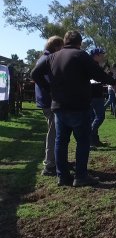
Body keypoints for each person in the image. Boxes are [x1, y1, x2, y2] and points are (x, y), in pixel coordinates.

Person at [31, 31, 116, 187]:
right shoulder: (81, 55)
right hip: (79, 106)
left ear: (65, 41)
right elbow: (98, 74)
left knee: (61, 142)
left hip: (59, 107)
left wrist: (49, 89)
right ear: (80, 43)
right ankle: (80, 176)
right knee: (83, 141)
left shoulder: (52, 57)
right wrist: (114, 81)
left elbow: (34, 74)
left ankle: (62, 177)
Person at [35, 36, 64, 176]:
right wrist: (52, 91)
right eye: (61, 47)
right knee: (53, 132)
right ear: (56, 46)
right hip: (49, 101)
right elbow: (47, 80)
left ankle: (54, 160)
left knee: (53, 130)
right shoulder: (49, 59)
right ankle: (49, 164)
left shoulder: (43, 58)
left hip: (44, 100)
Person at [89, 48, 109, 150]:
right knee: (100, 116)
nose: (103, 56)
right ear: (96, 55)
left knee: (93, 118)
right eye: (101, 54)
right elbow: (96, 80)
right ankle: (89, 138)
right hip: (95, 95)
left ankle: (94, 141)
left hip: (92, 95)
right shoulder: (93, 65)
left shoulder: (93, 65)